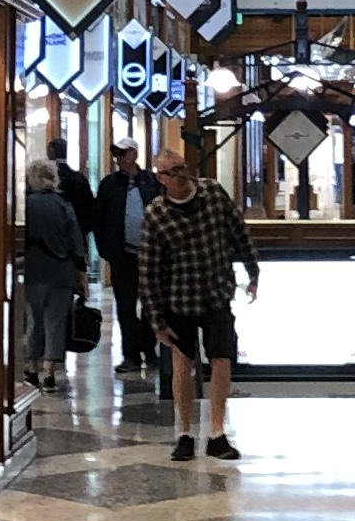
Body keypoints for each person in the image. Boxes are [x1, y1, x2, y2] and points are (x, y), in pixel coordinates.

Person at [141, 131, 257, 459]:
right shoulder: (157, 213)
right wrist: (156, 320)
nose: (182, 175)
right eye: (173, 171)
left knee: (221, 360)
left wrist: (252, 271)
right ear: (161, 178)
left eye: (183, 167)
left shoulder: (212, 193)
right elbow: (148, 270)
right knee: (183, 364)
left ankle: (217, 432)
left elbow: (238, 231)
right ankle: (185, 432)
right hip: (180, 299)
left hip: (217, 293)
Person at [18, 154, 88, 388]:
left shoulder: (26, 205)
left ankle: (31, 367)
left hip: (32, 270)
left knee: (34, 320)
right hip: (61, 271)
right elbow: (75, 240)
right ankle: (49, 372)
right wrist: (81, 271)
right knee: (55, 322)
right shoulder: (63, 205)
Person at [94, 140, 156, 371]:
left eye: (122, 153)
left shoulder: (151, 182)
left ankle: (150, 351)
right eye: (116, 154)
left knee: (151, 305)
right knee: (125, 306)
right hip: (122, 256)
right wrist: (106, 251)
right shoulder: (110, 185)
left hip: (150, 257)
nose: (118, 158)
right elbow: (99, 220)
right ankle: (131, 354)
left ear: (133, 154)